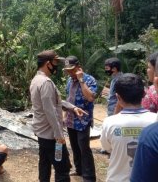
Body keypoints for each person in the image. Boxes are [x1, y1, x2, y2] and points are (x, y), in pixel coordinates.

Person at [30, 50, 87, 182]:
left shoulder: (36, 80)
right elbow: (50, 111)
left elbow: (55, 102)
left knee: (44, 163)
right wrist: (59, 135)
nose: (57, 66)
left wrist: (72, 108)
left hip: (42, 133)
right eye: (55, 63)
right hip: (52, 136)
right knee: (62, 168)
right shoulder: (46, 83)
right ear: (48, 64)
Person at [100, 73, 156, 182]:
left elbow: (107, 147)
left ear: (118, 97)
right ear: (144, 94)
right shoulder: (155, 120)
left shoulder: (109, 122)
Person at [63, 55, 97, 182]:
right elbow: (69, 100)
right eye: (67, 70)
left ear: (78, 67)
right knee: (75, 147)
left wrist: (81, 80)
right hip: (71, 120)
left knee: (84, 149)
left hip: (83, 121)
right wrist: (65, 116)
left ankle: (89, 177)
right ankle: (79, 169)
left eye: (72, 69)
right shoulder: (69, 81)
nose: (69, 72)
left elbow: (90, 98)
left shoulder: (89, 80)